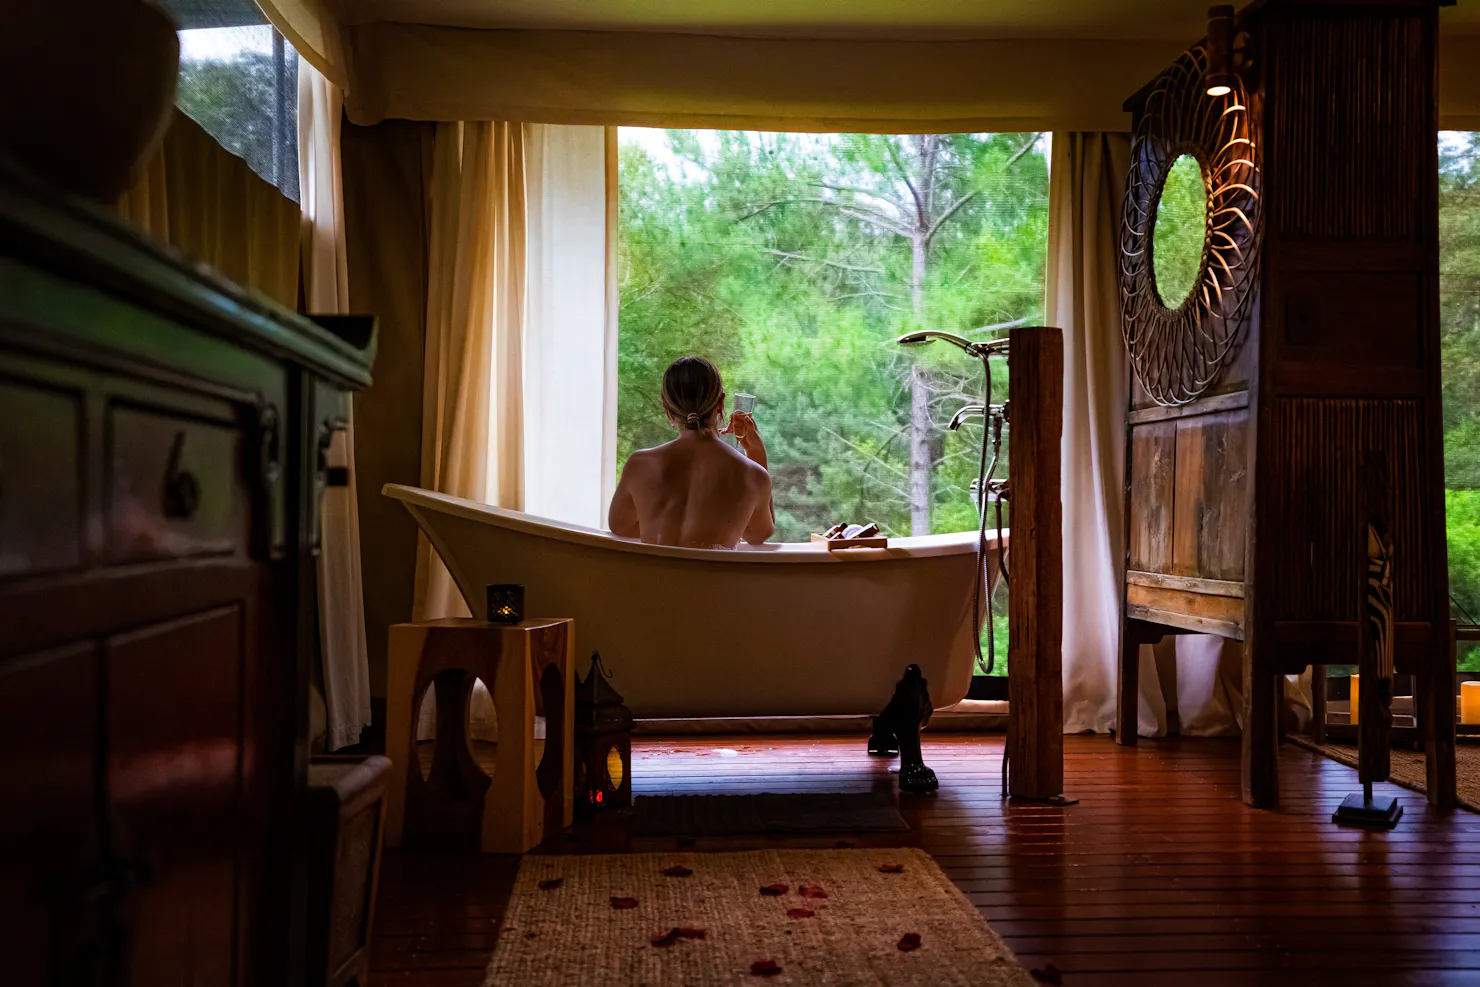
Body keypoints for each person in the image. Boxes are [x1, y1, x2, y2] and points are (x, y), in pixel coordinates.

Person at [608, 356, 774, 549]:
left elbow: (621, 527)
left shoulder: (640, 464)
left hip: (652, 579)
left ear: (667, 408)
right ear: (720, 404)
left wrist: (662, 525)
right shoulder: (753, 475)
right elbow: (758, 535)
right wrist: (756, 453)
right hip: (715, 580)